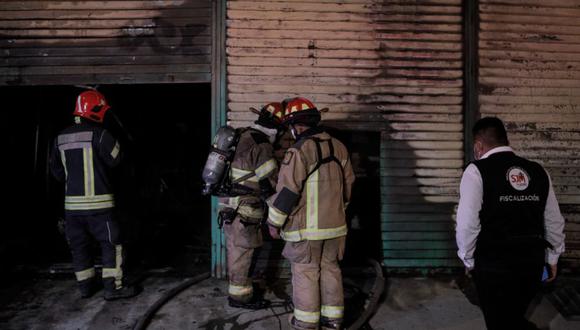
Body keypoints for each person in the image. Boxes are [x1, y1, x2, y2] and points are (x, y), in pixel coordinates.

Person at [456, 117, 565, 329]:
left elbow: (467, 224)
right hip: (531, 264)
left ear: (478, 145)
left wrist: (468, 260)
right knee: (514, 313)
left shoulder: (476, 170)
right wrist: (553, 258)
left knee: (499, 321)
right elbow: (553, 219)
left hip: (494, 266)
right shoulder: (538, 170)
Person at [267, 97, 355, 330]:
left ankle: (305, 324)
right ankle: (333, 321)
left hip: (306, 231)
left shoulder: (300, 150)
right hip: (336, 228)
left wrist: (274, 223)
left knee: (306, 273)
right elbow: (348, 188)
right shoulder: (340, 147)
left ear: (298, 126)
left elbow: (286, 192)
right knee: (331, 270)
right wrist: (338, 213)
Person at [50, 90, 140, 300]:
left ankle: (85, 287)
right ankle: (114, 288)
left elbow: (56, 173)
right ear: (95, 110)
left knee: (79, 247)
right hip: (100, 208)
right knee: (111, 244)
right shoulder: (100, 135)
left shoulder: (59, 138)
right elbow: (117, 160)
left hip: (72, 209)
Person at [218, 102, 284, 309]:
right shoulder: (261, 145)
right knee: (243, 253)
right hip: (245, 208)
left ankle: (242, 289)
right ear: (277, 129)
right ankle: (240, 298)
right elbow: (272, 182)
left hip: (227, 205)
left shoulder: (241, 135)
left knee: (235, 249)